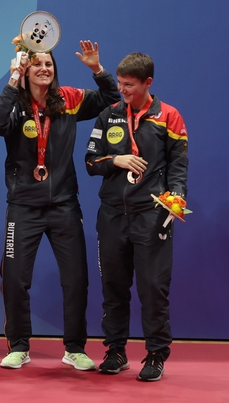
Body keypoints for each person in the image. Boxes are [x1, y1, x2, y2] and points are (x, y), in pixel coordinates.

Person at [0, 42, 120, 370]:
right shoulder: (15, 103)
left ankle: (74, 347)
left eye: (48, 63)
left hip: (64, 205)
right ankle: (19, 346)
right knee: (16, 278)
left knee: (76, 279)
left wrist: (97, 69)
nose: (44, 69)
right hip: (23, 205)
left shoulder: (69, 99)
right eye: (36, 65)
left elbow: (111, 98)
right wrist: (13, 77)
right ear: (27, 70)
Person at [85, 52, 188, 382]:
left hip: (151, 216)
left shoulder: (169, 116)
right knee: (113, 288)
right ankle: (115, 350)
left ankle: (156, 354)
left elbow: (179, 166)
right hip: (112, 215)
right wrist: (116, 161)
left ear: (148, 83)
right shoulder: (109, 115)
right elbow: (90, 163)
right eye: (119, 83)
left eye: (129, 85)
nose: (123, 90)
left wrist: (177, 196)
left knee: (152, 288)